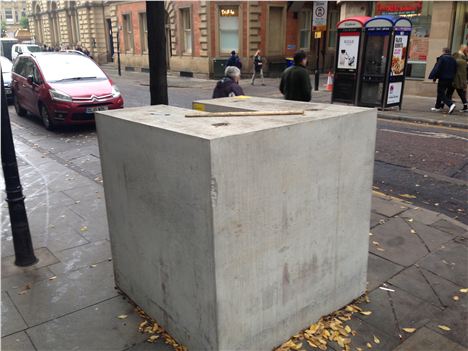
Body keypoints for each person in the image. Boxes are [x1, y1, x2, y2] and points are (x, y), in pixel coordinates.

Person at [428, 47, 458, 114]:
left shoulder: (442, 58)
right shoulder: (453, 59)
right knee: (442, 93)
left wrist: (434, 78)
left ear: (444, 52)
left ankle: (450, 104)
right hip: (451, 79)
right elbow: (455, 69)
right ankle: (437, 107)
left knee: (441, 93)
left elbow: (437, 68)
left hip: (443, 78)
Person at [447, 44, 467, 112]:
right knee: (455, 91)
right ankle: (449, 104)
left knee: (454, 92)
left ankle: (449, 104)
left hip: (457, 78)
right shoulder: (462, 59)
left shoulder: (461, 59)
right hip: (459, 78)